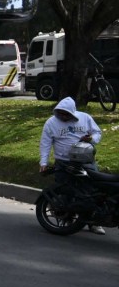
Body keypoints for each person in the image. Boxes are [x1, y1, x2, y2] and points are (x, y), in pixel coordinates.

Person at [39, 96, 105, 234]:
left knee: (92, 190)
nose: (63, 116)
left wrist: (91, 139)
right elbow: (45, 143)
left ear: (72, 113)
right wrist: (43, 163)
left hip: (85, 162)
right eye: (61, 113)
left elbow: (97, 132)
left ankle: (94, 223)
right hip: (63, 162)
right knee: (65, 191)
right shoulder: (51, 123)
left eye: (66, 114)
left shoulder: (85, 118)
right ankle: (68, 221)